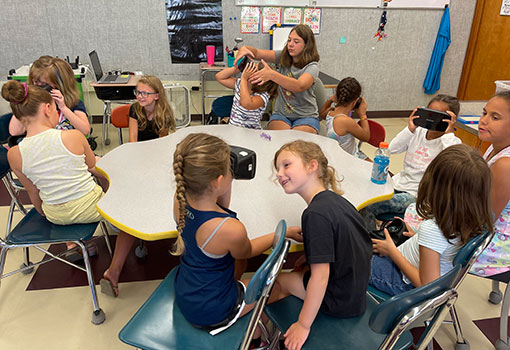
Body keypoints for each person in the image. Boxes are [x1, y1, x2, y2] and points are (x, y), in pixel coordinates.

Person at [172, 133, 302, 336]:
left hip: (186, 292)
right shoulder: (229, 229)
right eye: (229, 170)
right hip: (212, 310)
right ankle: (253, 336)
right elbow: (247, 251)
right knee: (277, 287)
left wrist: (224, 180)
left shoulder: (179, 198)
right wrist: (279, 236)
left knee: (235, 266)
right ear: (217, 182)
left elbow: (218, 207)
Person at [271, 140, 372, 350]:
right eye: (277, 168)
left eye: (286, 165)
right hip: (355, 291)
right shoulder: (336, 201)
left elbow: (321, 276)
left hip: (340, 301)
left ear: (312, 166)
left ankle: (262, 333)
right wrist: (311, 256)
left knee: (279, 280)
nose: (279, 173)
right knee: (297, 273)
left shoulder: (315, 214)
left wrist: (303, 325)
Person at [1, 80, 115, 260]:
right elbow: (93, 165)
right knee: (112, 184)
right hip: (93, 209)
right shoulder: (73, 136)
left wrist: (44, 212)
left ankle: (77, 244)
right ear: (47, 108)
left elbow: (33, 191)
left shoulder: (14, 154)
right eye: (56, 109)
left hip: (54, 215)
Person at [369, 144, 494, 296]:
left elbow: (426, 285)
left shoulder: (433, 229)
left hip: (400, 280)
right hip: (410, 264)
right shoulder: (473, 219)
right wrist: (418, 238)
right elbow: (443, 250)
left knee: (350, 258)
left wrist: (391, 251)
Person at [359, 94, 461, 232]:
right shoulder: (418, 132)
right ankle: (370, 229)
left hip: (416, 196)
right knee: (364, 195)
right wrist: (410, 129)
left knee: (368, 205)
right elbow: (392, 149)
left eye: (438, 116)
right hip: (398, 183)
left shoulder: (450, 142)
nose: (431, 119)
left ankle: (369, 240)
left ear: (450, 119)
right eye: (429, 113)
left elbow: (455, 163)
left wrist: (448, 134)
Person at [236, 24, 321, 134]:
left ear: (306, 45)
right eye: (289, 40)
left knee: (296, 143)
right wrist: (245, 49)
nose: (290, 44)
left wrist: (272, 75)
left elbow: (299, 85)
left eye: (296, 42)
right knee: (279, 140)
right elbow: (256, 53)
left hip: (306, 116)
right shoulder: (283, 56)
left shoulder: (312, 67)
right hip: (281, 115)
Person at [471, 91, 510, 277]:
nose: (483, 120)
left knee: (428, 236)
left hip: (496, 241)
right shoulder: (494, 146)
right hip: (481, 218)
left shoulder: (505, 165)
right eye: (484, 113)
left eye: (495, 117)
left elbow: (486, 220)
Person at [9, 56, 90, 136]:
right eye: (36, 83)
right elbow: (15, 132)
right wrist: (24, 100)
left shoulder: (73, 103)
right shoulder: (31, 104)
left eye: (45, 84)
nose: (41, 88)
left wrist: (63, 107)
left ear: (60, 84)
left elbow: (85, 130)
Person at [215, 61, 278, 129]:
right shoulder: (240, 84)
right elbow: (220, 77)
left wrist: (244, 79)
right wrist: (238, 68)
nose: (249, 69)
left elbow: (246, 104)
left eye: (253, 69)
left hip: (251, 133)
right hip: (234, 129)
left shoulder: (263, 95)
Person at [319, 77, 370, 155]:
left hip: (335, 153)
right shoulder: (346, 121)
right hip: (347, 158)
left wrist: (330, 99)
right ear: (355, 101)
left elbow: (322, 114)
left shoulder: (331, 112)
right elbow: (366, 137)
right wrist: (362, 114)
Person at [129, 75, 176, 142]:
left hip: (157, 147)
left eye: (145, 93)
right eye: (138, 92)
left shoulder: (164, 112)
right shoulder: (134, 108)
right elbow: (133, 138)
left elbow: (162, 141)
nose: (139, 96)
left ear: (156, 96)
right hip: (138, 147)